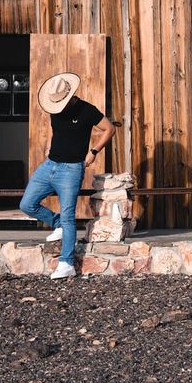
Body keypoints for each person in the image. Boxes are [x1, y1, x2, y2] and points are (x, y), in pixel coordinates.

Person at [20, 72, 115, 280]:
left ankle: (66, 264)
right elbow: (56, 132)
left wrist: (94, 151)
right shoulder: (54, 109)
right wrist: (48, 148)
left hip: (71, 169)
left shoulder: (87, 110)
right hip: (50, 165)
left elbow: (109, 129)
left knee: (69, 215)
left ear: (70, 95)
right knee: (27, 204)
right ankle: (58, 224)